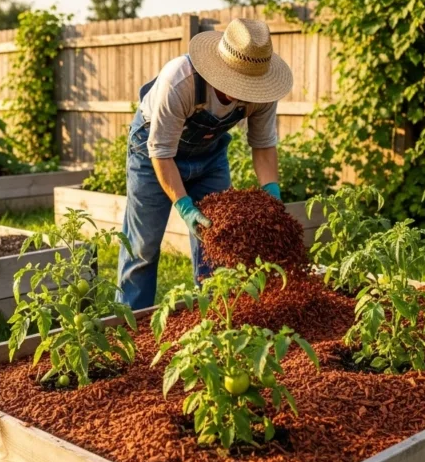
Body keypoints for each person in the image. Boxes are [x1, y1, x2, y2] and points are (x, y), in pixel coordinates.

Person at [117, 17, 294, 309]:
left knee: (218, 242)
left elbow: (263, 145)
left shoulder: (263, 92)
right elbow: (161, 152)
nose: (246, 91)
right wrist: (184, 206)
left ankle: (214, 317)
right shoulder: (181, 80)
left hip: (209, 157)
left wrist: (272, 193)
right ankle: (129, 325)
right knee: (143, 247)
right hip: (152, 154)